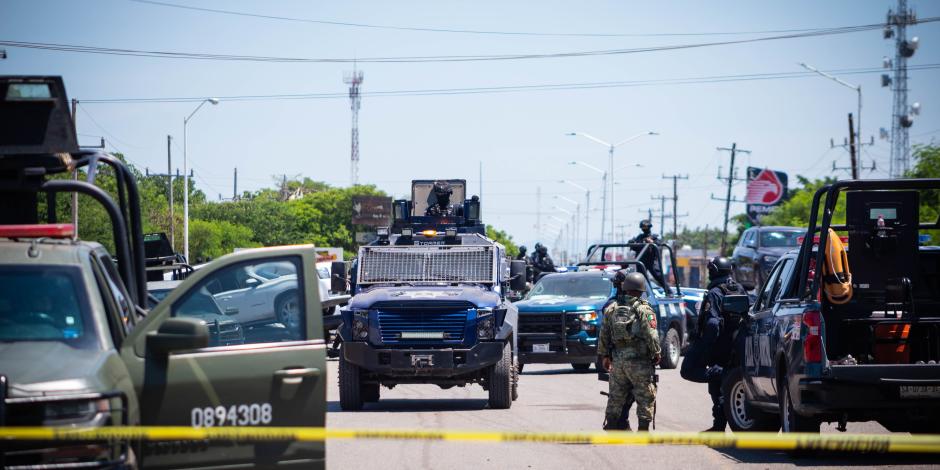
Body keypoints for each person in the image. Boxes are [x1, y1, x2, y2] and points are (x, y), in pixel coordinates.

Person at [679, 256, 748, 432]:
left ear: (715, 272)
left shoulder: (715, 293)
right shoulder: (739, 289)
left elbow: (712, 324)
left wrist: (705, 347)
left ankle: (720, 374)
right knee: (718, 388)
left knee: (689, 370)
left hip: (718, 347)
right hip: (736, 345)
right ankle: (718, 427)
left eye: (711, 269)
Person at [598, 270, 661, 432]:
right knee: (645, 395)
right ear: (641, 290)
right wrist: (657, 353)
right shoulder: (643, 309)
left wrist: (605, 356)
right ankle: (643, 430)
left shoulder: (611, 308)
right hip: (639, 361)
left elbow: (603, 333)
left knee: (616, 396)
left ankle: (611, 426)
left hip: (618, 361)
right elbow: (651, 334)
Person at [628, 220, 670, 294]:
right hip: (641, 260)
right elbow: (635, 247)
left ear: (649, 227)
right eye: (643, 227)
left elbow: (659, 246)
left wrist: (651, 242)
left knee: (658, 276)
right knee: (642, 278)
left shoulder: (654, 237)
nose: (644, 229)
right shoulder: (639, 238)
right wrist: (632, 243)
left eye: (645, 227)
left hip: (651, 260)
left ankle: (669, 291)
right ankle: (648, 293)